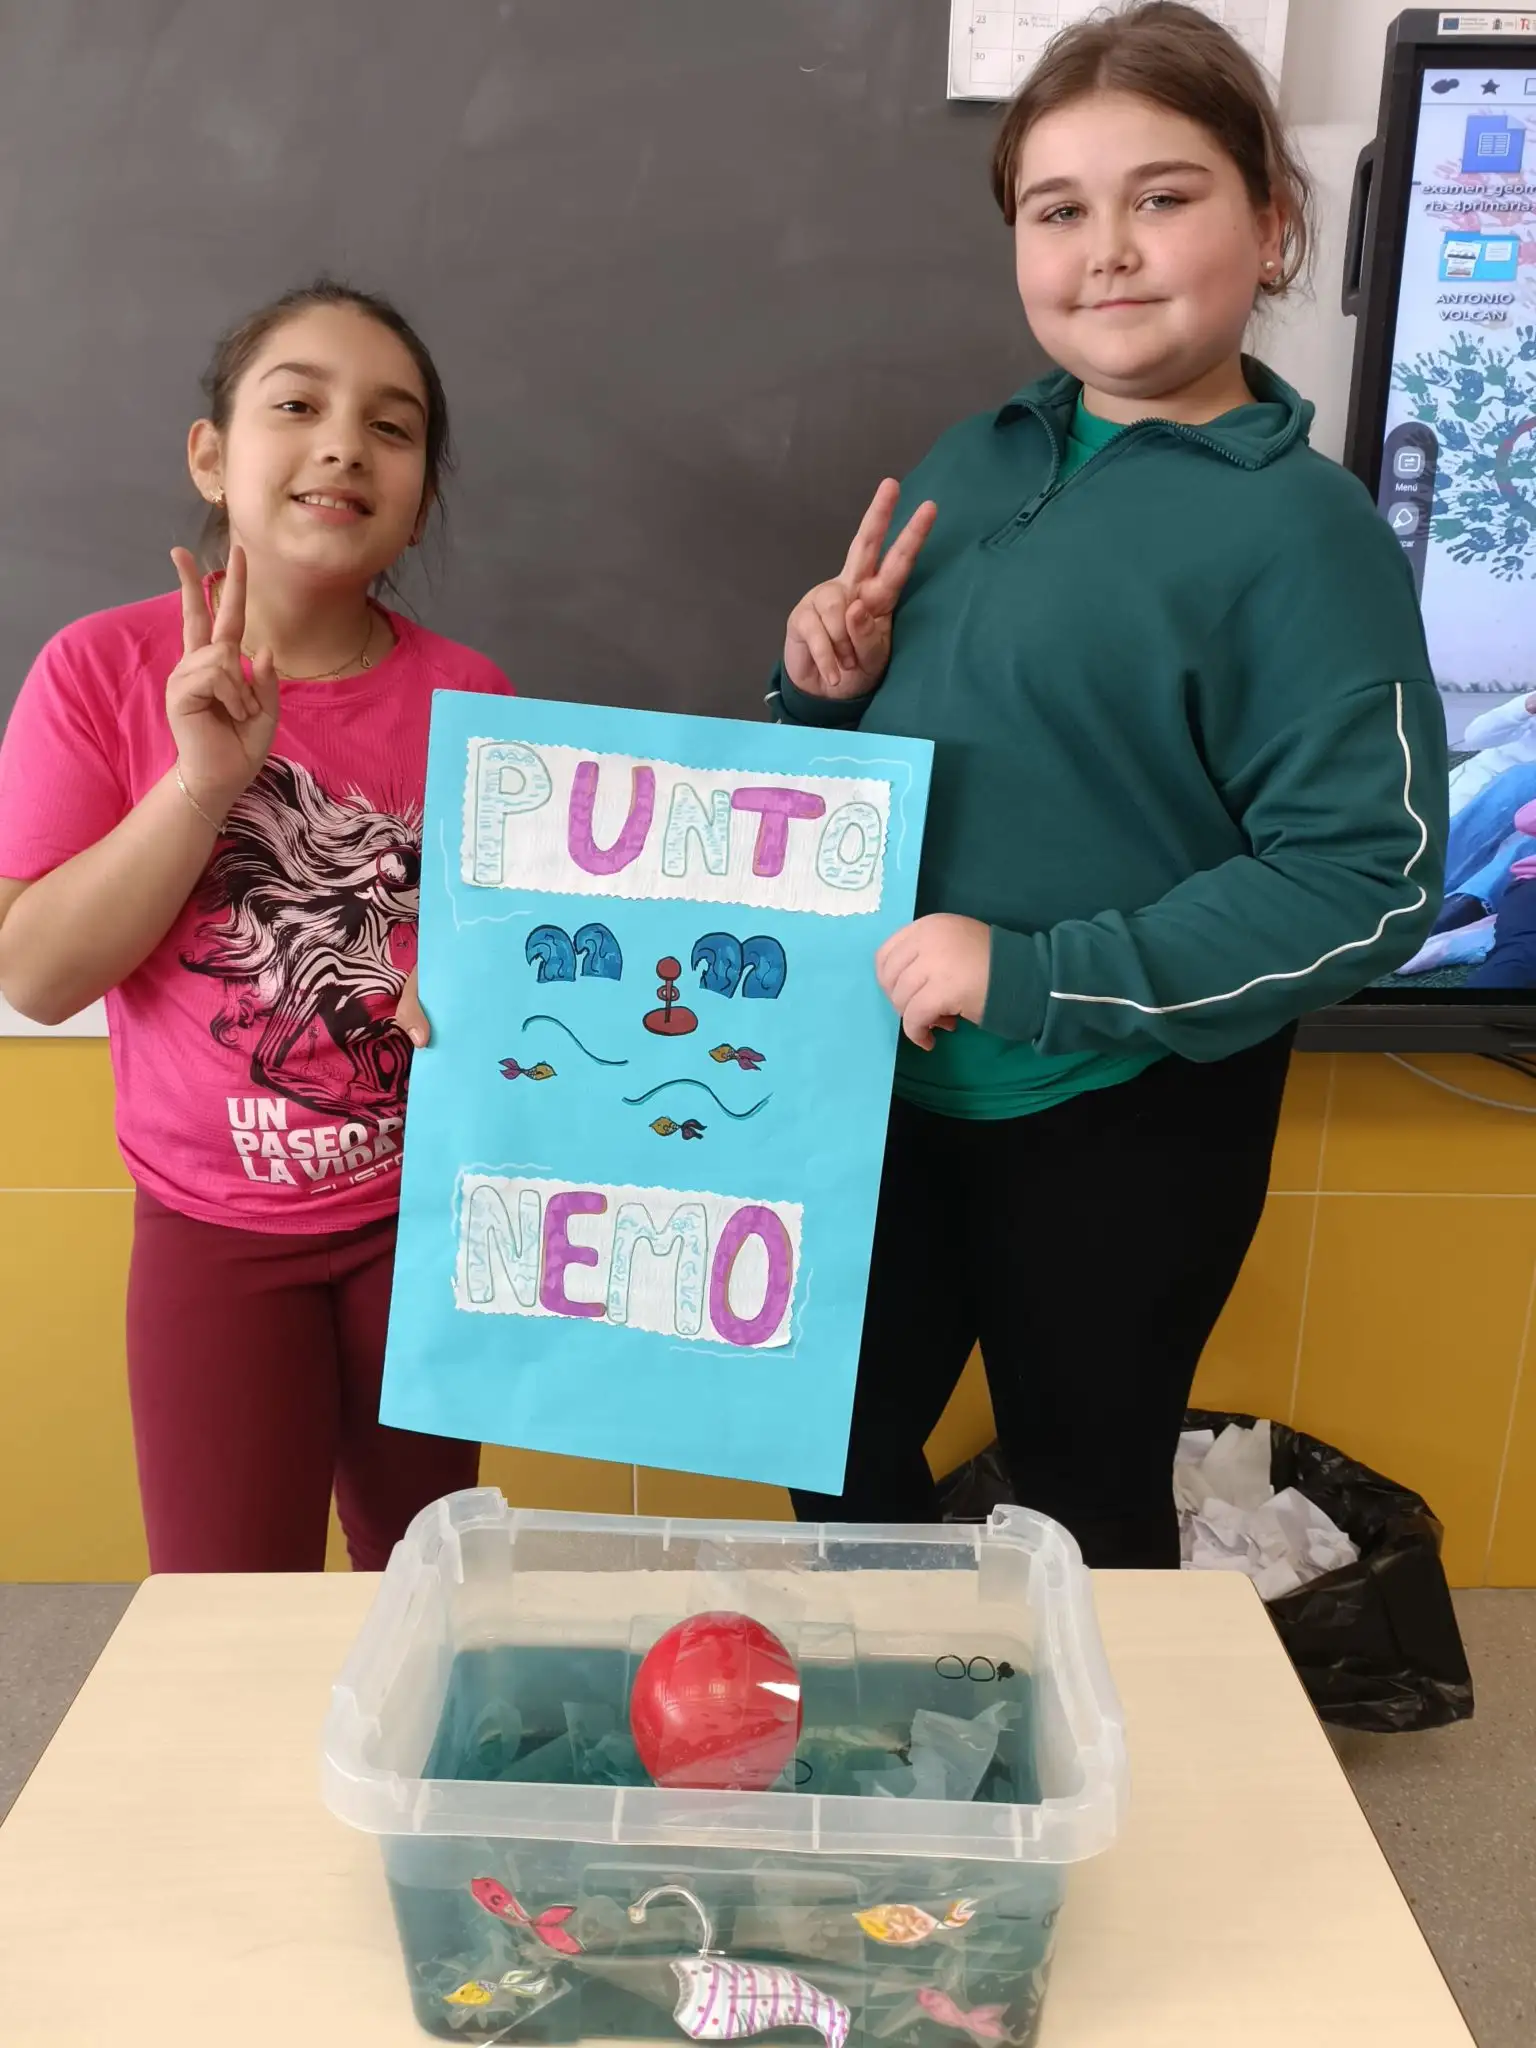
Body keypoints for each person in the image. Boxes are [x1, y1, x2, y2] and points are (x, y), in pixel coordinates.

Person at [772, 3, 1447, 1566]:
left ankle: (1059, 1730)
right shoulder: (975, 459)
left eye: (1165, 197)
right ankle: (897, 1703)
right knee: (826, 1444)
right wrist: (825, 693)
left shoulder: (1308, 534)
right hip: (883, 1089)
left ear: (1274, 225)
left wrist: (1037, 974)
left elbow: (1367, 878)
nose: (1110, 251)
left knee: (1083, 1506)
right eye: (1059, 210)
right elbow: (899, 774)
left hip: (1118, 1122)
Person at [0, 280, 513, 1573]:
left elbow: (513, 979)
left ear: (421, 499)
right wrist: (200, 786)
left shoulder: (474, 698)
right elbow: (36, 975)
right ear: (211, 455)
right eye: (298, 406)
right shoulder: (98, 671)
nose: (344, 445)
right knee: (223, 1603)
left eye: (391, 428)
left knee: (426, 1584)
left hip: (422, 1220)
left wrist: (473, 994)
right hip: (211, 1234)